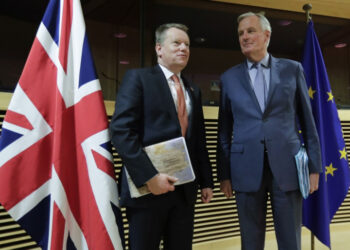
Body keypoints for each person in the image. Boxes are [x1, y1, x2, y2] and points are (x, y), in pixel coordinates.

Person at [217, 12, 322, 250]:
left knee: (290, 240)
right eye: (241, 33)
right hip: (244, 168)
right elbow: (224, 131)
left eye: (250, 31)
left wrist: (314, 167)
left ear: (267, 35)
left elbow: (308, 122)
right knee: (251, 242)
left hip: (288, 168)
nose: (244, 37)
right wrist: (224, 174)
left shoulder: (292, 70)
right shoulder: (228, 78)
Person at [109, 23, 213, 250]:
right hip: (148, 191)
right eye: (176, 43)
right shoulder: (138, 78)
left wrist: (206, 181)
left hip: (184, 191)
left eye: (187, 44)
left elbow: (198, 141)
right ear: (159, 48)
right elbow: (120, 131)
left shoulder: (193, 90)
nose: (183, 48)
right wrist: (150, 177)